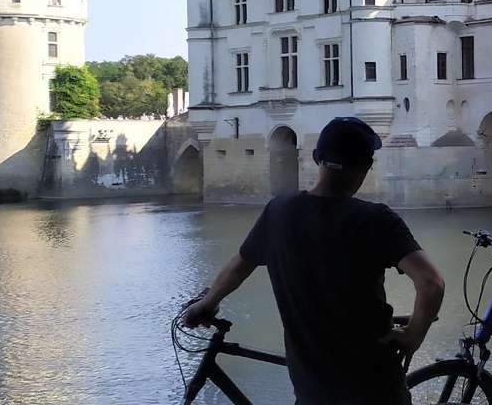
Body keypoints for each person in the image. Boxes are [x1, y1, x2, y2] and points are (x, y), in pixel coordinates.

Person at [181, 117, 445, 405]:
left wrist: (206, 304)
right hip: (374, 386)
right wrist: (413, 336)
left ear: (317, 158)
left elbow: (239, 266)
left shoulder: (278, 212)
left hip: (312, 389)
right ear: (366, 167)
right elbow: (431, 284)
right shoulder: (376, 220)